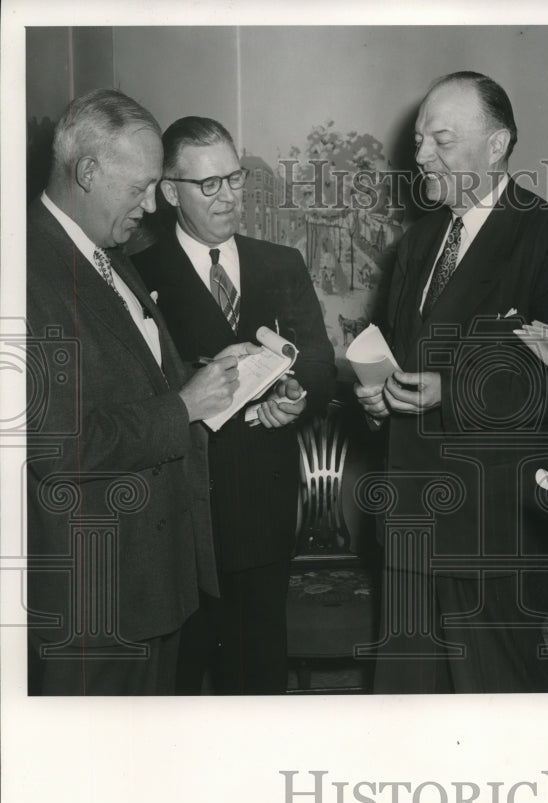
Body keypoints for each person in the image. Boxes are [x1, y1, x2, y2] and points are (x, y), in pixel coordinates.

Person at [354, 71, 548, 693]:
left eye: (441, 140)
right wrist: (379, 397)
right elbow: (401, 358)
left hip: (495, 532)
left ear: (497, 145)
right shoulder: (419, 243)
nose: (421, 156)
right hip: (410, 522)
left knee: (494, 710)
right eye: (418, 140)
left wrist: (452, 391)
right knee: (406, 706)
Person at [25, 89, 247, 695]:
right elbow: (55, 443)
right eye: (141, 187)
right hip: (95, 597)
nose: (151, 206)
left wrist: (204, 375)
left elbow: (130, 378)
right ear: (87, 173)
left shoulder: (106, 252)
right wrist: (184, 405)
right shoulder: (24, 269)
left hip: (150, 586)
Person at [132, 117, 337, 694]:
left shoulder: (281, 263)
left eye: (235, 178)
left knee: (258, 679)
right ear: (171, 193)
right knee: (178, 686)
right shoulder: (139, 275)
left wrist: (298, 396)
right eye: (208, 185)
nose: (228, 197)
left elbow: (320, 365)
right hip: (181, 518)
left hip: (263, 510)